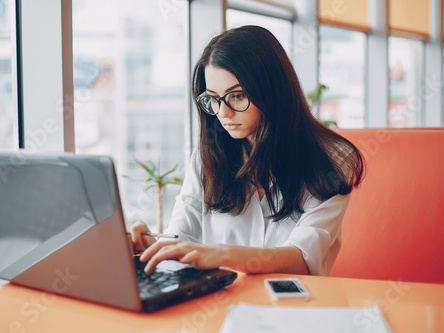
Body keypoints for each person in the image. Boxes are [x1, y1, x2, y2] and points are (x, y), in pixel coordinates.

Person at [128, 25, 364, 276]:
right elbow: (183, 235)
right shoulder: (209, 154)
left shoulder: (332, 160)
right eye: (213, 99)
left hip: (292, 307)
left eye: (237, 96)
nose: (223, 113)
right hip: (220, 304)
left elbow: (302, 258)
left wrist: (223, 253)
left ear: (272, 90)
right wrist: (153, 247)